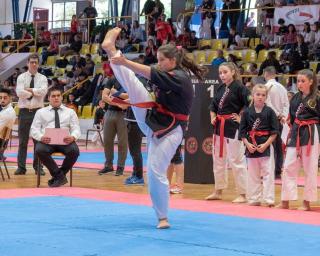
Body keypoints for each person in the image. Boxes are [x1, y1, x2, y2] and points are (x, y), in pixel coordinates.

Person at [101, 27, 206, 229]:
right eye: (157, 59)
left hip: (171, 129)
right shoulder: (169, 72)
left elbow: (150, 72)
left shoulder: (180, 78)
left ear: (172, 61)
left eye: (161, 60)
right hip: (153, 117)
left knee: (156, 170)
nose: (159, 63)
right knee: (132, 84)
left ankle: (162, 217)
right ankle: (110, 49)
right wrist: (130, 97)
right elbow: (151, 83)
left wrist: (125, 62)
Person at [206, 62, 250, 203]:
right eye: (220, 73)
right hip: (219, 126)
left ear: (233, 72)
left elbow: (250, 104)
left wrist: (241, 117)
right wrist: (213, 117)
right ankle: (218, 191)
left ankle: (243, 194)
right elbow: (213, 105)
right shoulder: (220, 88)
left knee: (237, 160)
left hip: (233, 127)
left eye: (225, 72)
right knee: (218, 160)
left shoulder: (240, 88)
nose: (222, 75)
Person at [277, 69, 320, 211]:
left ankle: (307, 202)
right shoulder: (295, 98)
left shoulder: (317, 96)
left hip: (311, 131)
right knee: (288, 166)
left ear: (311, 81)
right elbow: (292, 117)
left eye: (303, 81)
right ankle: (285, 200)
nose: (299, 84)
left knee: (310, 168)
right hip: (296, 132)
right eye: (298, 81)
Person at [30, 86, 80, 187]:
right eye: (53, 96)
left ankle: (58, 176)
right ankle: (59, 176)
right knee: (39, 150)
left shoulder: (70, 112)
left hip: (65, 141)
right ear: (48, 98)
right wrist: (41, 137)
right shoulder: (40, 112)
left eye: (58, 96)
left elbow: (76, 128)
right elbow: (34, 129)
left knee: (74, 151)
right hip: (47, 141)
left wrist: (73, 137)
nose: (56, 98)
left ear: (62, 97)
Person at [239, 84, 278, 206]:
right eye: (258, 94)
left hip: (265, 145)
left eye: (263, 95)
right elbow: (242, 132)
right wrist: (248, 144)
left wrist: (266, 145)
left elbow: (274, 132)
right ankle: (255, 198)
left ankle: (268, 199)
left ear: (266, 97)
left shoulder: (270, 112)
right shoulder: (246, 112)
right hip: (251, 146)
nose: (260, 97)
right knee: (253, 174)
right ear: (252, 96)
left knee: (268, 173)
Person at [15, 54, 48, 176]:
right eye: (32, 62)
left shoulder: (43, 78)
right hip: (24, 112)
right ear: (28, 63)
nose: (34, 64)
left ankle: (38, 167)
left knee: (38, 142)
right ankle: (21, 167)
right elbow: (19, 93)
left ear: (38, 64)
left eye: (36, 62)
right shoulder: (21, 77)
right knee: (22, 141)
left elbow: (43, 91)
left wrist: (29, 90)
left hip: (38, 112)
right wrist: (34, 92)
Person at [98, 74, 128, 176]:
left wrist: (115, 94)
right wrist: (119, 103)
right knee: (107, 140)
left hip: (124, 115)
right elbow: (104, 97)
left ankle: (120, 166)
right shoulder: (112, 79)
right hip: (110, 112)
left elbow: (131, 96)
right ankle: (108, 165)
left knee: (122, 142)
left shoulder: (130, 79)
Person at [263, 66, 289, 178]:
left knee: (271, 145)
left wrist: (278, 114)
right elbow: (286, 104)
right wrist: (283, 116)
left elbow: (268, 104)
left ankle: (271, 170)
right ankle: (278, 171)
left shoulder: (266, 87)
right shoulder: (282, 87)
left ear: (265, 74)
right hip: (281, 120)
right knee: (279, 145)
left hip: (270, 119)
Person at [0, 88, 16, 159]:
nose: (2, 100)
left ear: (10, 98)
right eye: (0, 98)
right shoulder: (5, 110)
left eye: (5, 98)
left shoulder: (7, 112)